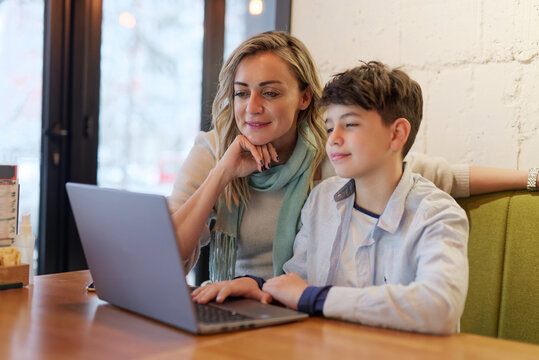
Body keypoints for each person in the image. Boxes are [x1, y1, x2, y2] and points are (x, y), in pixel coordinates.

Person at [168, 31, 538, 283]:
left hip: (295, 310)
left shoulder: (335, 152)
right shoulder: (215, 149)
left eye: (271, 93)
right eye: (241, 93)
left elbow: (443, 176)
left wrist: (531, 178)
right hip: (233, 302)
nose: (252, 108)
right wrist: (222, 173)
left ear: (304, 98)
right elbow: (168, 258)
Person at [192, 61, 469, 335]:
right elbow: (298, 284)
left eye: (349, 124)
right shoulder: (323, 198)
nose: (333, 139)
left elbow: (439, 307)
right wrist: (259, 286)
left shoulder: (437, 214)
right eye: (328, 127)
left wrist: (315, 298)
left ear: (396, 134)